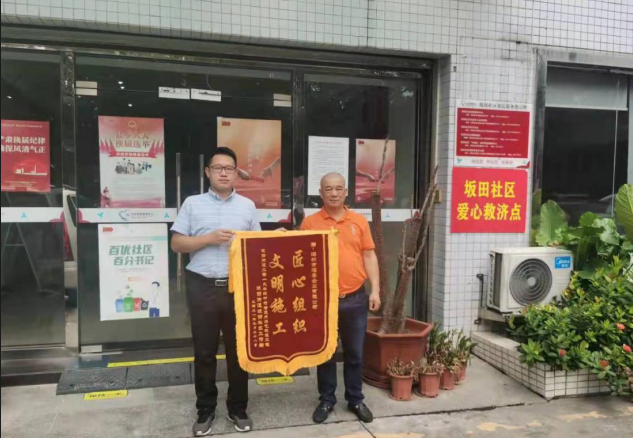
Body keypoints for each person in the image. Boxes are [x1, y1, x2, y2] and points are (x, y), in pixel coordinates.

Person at [171, 147, 261, 436]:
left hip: (238, 288)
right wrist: (208, 239)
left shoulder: (247, 206)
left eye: (229, 168)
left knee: (239, 352)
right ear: (207, 171)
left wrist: (278, 240)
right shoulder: (192, 204)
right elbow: (177, 244)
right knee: (205, 351)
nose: (224, 173)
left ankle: (238, 408)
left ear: (236, 173)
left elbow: (258, 246)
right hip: (202, 286)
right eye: (218, 168)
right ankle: (205, 409)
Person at [301, 173, 381, 425]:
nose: (333, 193)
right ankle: (326, 400)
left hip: (355, 298)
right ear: (321, 193)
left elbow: (369, 256)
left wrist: (375, 290)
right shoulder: (310, 223)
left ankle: (355, 399)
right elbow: (299, 260)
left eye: (338, 189)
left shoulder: (358, 221)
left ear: (346, 192)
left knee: (355, 353)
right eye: (328, 189)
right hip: (323, 300)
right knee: (325, 353)